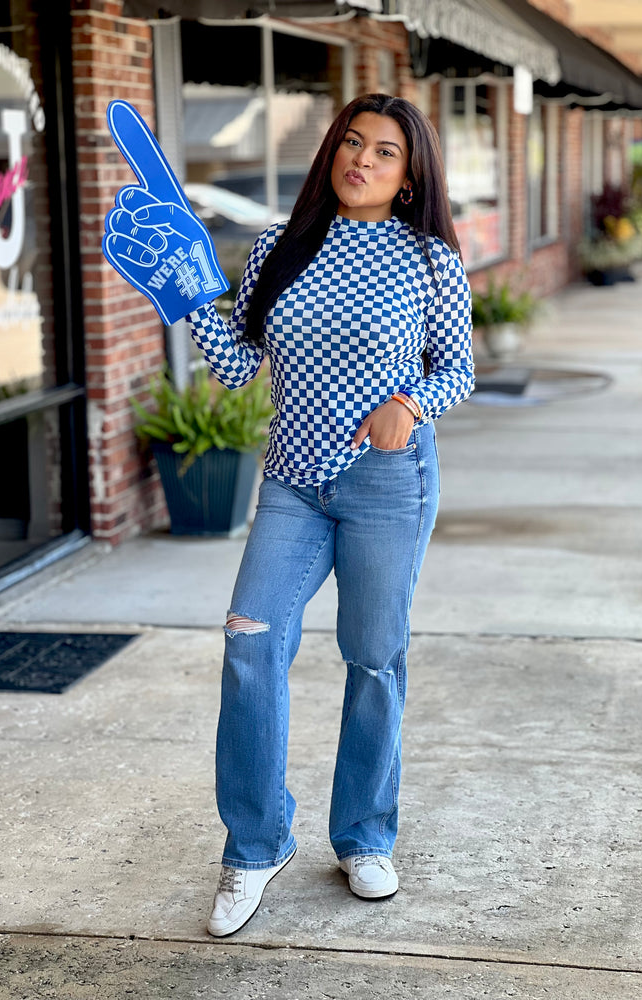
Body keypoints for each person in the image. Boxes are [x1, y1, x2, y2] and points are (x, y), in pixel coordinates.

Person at [181, 92, 475, 937]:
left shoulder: (430, 262)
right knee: (249, 639)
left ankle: (364, 836)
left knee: (374, 657)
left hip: (388, 483)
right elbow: (238, 366)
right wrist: (189, 293)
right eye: (353, 143)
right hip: (292, 483)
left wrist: (411, 402)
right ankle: (256, 843)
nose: (363, 161)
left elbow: (458, 369)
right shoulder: (281, 245)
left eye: (386, 153)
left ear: (411, 178)